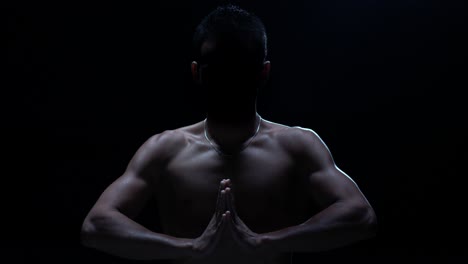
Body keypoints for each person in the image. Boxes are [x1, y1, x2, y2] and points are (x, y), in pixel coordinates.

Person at [80, 4, 377, 264]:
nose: (230, 78)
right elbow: (96, 226)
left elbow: (360, 216)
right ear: (197, 72)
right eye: (219, 67)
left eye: (240, 66)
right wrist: (190, 247)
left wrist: (265, 242)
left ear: (262, 72)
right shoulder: (165, 149)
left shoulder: (297, 145)